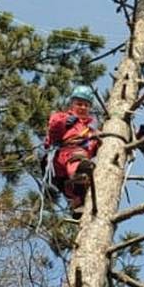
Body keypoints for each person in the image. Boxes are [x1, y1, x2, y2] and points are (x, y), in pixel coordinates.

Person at [44, 85, 100, 218]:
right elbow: (53, 132)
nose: (82, 107)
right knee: (77, 159)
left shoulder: (91, 129)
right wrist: (64, 121)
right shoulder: (63, 117)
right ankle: (79, 173)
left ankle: (78, 206)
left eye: (86, 105)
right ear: (72, 104)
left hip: (79, 159)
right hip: (63, 155)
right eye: (79, 104)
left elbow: (105, 143)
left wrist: (136, 136)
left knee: (75, 187)